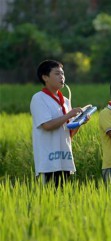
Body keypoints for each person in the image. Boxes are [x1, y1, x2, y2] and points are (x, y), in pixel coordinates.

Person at [30, 59, 84, 187]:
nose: (62, 77)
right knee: (48, 199)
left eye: (63, 74)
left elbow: (69, 133)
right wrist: (69, 115)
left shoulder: (65, 100)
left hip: (64, 159)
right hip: (48, 163)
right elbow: (47, 125)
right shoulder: (39, 98)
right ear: (45, 77)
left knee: (62, 200)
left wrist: (79, 122)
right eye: (57, 74)